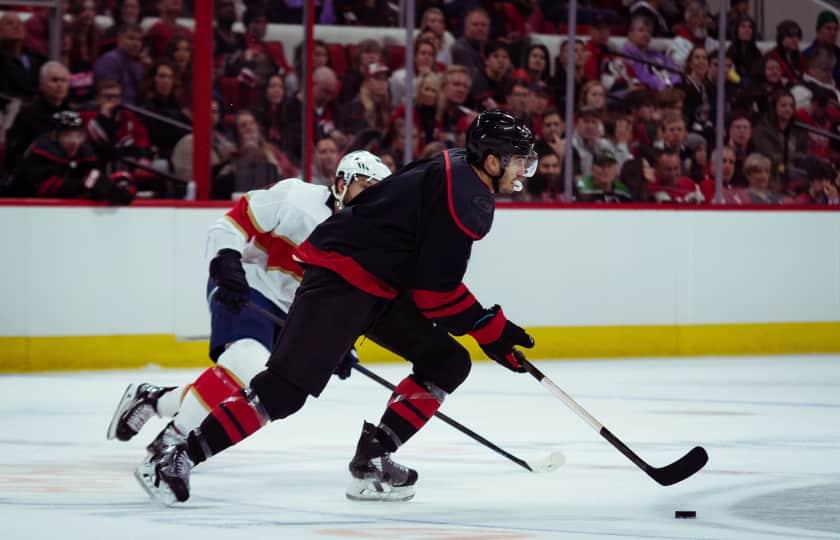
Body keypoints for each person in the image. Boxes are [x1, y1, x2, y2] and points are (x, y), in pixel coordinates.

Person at [135, 110, 538, 505]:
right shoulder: (467, 196)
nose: (525, 170)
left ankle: (372, 460)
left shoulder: (455, 167)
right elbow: (435, 294)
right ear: (491, 160)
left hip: (378, 283)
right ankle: (178, 456)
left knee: (447, 361)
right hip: (343, 278)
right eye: (520, 160)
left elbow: (428, 282)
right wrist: (491, 330)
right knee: (283, 392)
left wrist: (487, 327)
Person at [107, 150, 391, 476]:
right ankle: (171, 443)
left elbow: (347, 301)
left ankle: (156, 400)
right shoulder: (296, 198)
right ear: (342, 182)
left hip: (295, 317)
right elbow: (231, 222)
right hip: (248, 289)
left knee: (252, 385)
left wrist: (340, 342)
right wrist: (226, 261)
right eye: (365, 187)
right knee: (247, 363)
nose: (370, 198)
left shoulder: (367, 240)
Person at [8, 110, 134, 204]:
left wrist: (114, 187)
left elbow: (95, 178)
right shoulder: (40, 152)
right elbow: (44, 188)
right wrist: (84, 186)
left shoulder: (86, 153)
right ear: (55, 136)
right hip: (22, 209)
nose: (74, 141)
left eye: (78, 135)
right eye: (67, 135)